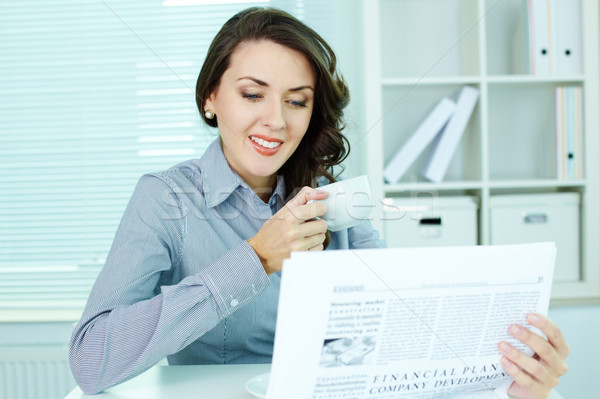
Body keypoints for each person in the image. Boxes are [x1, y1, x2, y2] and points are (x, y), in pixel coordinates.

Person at [69, 7, 569, 398]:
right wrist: (256, 259)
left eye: (297, 100)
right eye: (251, 94)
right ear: (210, 98)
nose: (276, 121)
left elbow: (406, 332)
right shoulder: (167, 199)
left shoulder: (334, 200)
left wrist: (509, 379)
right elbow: (92, 360)